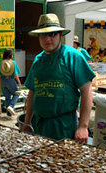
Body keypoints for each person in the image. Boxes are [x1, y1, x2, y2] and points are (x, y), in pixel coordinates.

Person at [21, 13, 95, 143]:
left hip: (64, 126)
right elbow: (32, 93)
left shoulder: (73, 57)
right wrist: (27, 123)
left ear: (60, 35)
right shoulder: (38, 61)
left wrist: (83, 126)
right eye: (43, 34)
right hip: (39, 126)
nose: (47, 39)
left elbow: (87, 90)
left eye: (52, 34)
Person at [0, 49, 22, 116]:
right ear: (10, 55)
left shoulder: (1, 63)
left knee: (7, 97)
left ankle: (9, 115)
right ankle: (11, 106)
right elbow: (16, 75)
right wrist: (19, 82)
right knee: (17, 93)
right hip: (10, 80)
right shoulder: (13, 63)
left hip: (3, 80)